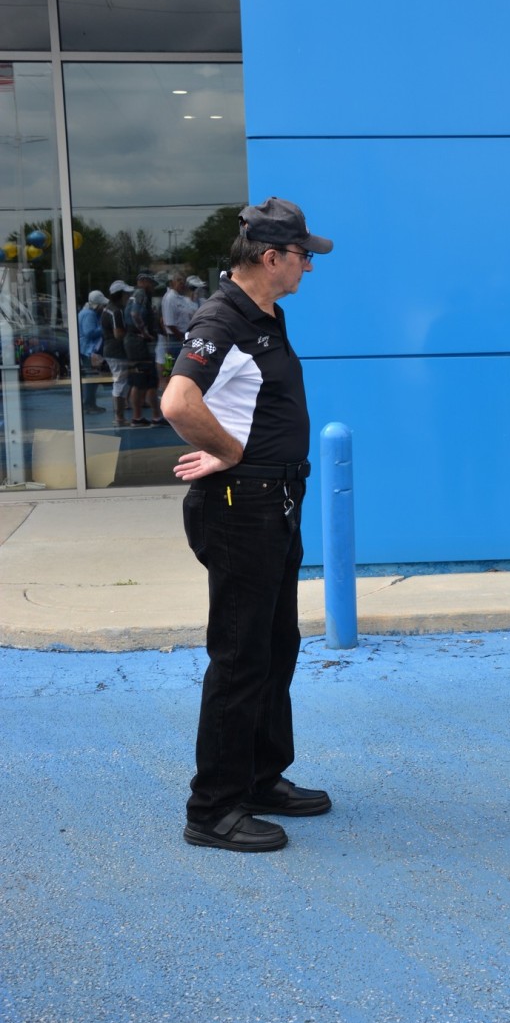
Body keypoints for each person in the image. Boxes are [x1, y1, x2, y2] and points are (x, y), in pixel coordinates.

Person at [161, 196, 333, 853]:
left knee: (276, 645)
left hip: (274, 502)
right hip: (241, 507)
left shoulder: (266, 315)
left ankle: (260, 778)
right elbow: (178, 400)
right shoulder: (222, 318)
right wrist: (230, 451)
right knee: (239, 656)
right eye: (302, 256)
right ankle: (212, 809)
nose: (308, 267)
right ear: (270, 257)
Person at [124, 269, 165, 425]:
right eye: (151, 283)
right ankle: (144, 416)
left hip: (135, 342)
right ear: (144, 282)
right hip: (139, 344)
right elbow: (135, 314)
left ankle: (149, 415)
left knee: (144, 380)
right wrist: (145, 333)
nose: (153, 287)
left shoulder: (134, 295)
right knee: (144, 380)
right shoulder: (140, 294)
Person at [101, 280, 133, 427]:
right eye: (126, 294)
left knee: (119, 382)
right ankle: (119, 417)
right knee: (120, 383)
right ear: (120, 295)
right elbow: (118, 334)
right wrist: (131, 333)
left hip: (110, 350)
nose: (128, 296)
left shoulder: (107, 309)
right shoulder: (116, 311)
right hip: (117, 351)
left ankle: (120, 415)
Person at [77, 289, 108, 414]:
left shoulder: (85, 312)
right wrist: (103, 328)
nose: (103, 308)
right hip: (88, 350)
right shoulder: (89, 314)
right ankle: (89, 405)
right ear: (97, 305)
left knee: (91, 378)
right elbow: (89, 332)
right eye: (102, 305)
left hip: (85, 349)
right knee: (91, 379)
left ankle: (91, 404)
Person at [160, 270, 193, 370]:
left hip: (184, 337)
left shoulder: (182, 298)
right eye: (179, 280)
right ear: (172, 282)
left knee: (184, 368)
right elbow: (169, 323)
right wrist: (180, 337)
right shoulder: (170, 298)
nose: (181, 283)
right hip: (175, 338)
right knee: (175, 369)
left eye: (183, 281)